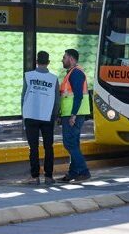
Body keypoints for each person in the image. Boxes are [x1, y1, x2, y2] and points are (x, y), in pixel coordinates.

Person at [21, 51, 60, 185]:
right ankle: (48, 177)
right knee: (48, 147)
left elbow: (23, 97)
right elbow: (57, 101)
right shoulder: (54, 79)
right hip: (47, 116)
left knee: (33, 147)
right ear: (48, 62)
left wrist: (23, 116)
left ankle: (35, 177)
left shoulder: (28, 76)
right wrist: (54, 116)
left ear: (36, 61)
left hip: (30, 115)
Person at [59, 49, 91, 182]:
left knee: (69, 143)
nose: (62, 59)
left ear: (71, 59)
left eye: (64, 57)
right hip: (72, 113)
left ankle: (83, 171)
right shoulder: (73, 73)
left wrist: (73, 115)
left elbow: (78, 96)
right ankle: (73, 172)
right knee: (74, 144)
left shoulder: (76, 73)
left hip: (73, 114)